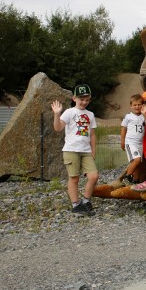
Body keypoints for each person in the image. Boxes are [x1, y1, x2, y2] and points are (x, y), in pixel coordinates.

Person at [51, 84, 99, 216]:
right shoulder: (69, 112)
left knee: (94, 176)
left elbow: (92, 135)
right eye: (81, 99)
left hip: (86, 151)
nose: (84, 102)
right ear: (74, 98)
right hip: (71, 150)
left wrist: (93, 152)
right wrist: (57, 114)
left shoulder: (90, 114)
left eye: (87, 99)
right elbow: (58, 128)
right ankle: (76, 205)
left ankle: (86, 201)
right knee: (74, 178)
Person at [118, 94, 146, 186]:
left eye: (139, 104)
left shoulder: (144, 116)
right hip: (130, 142)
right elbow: (123, 129)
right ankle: (127, 176)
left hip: (140, 143)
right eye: (135, 105)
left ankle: (135, 180)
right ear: (131, 106)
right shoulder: (128, 117)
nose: (137, 107)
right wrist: (122, 141)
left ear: (142, 105)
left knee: (138, 163)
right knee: (136, 159)